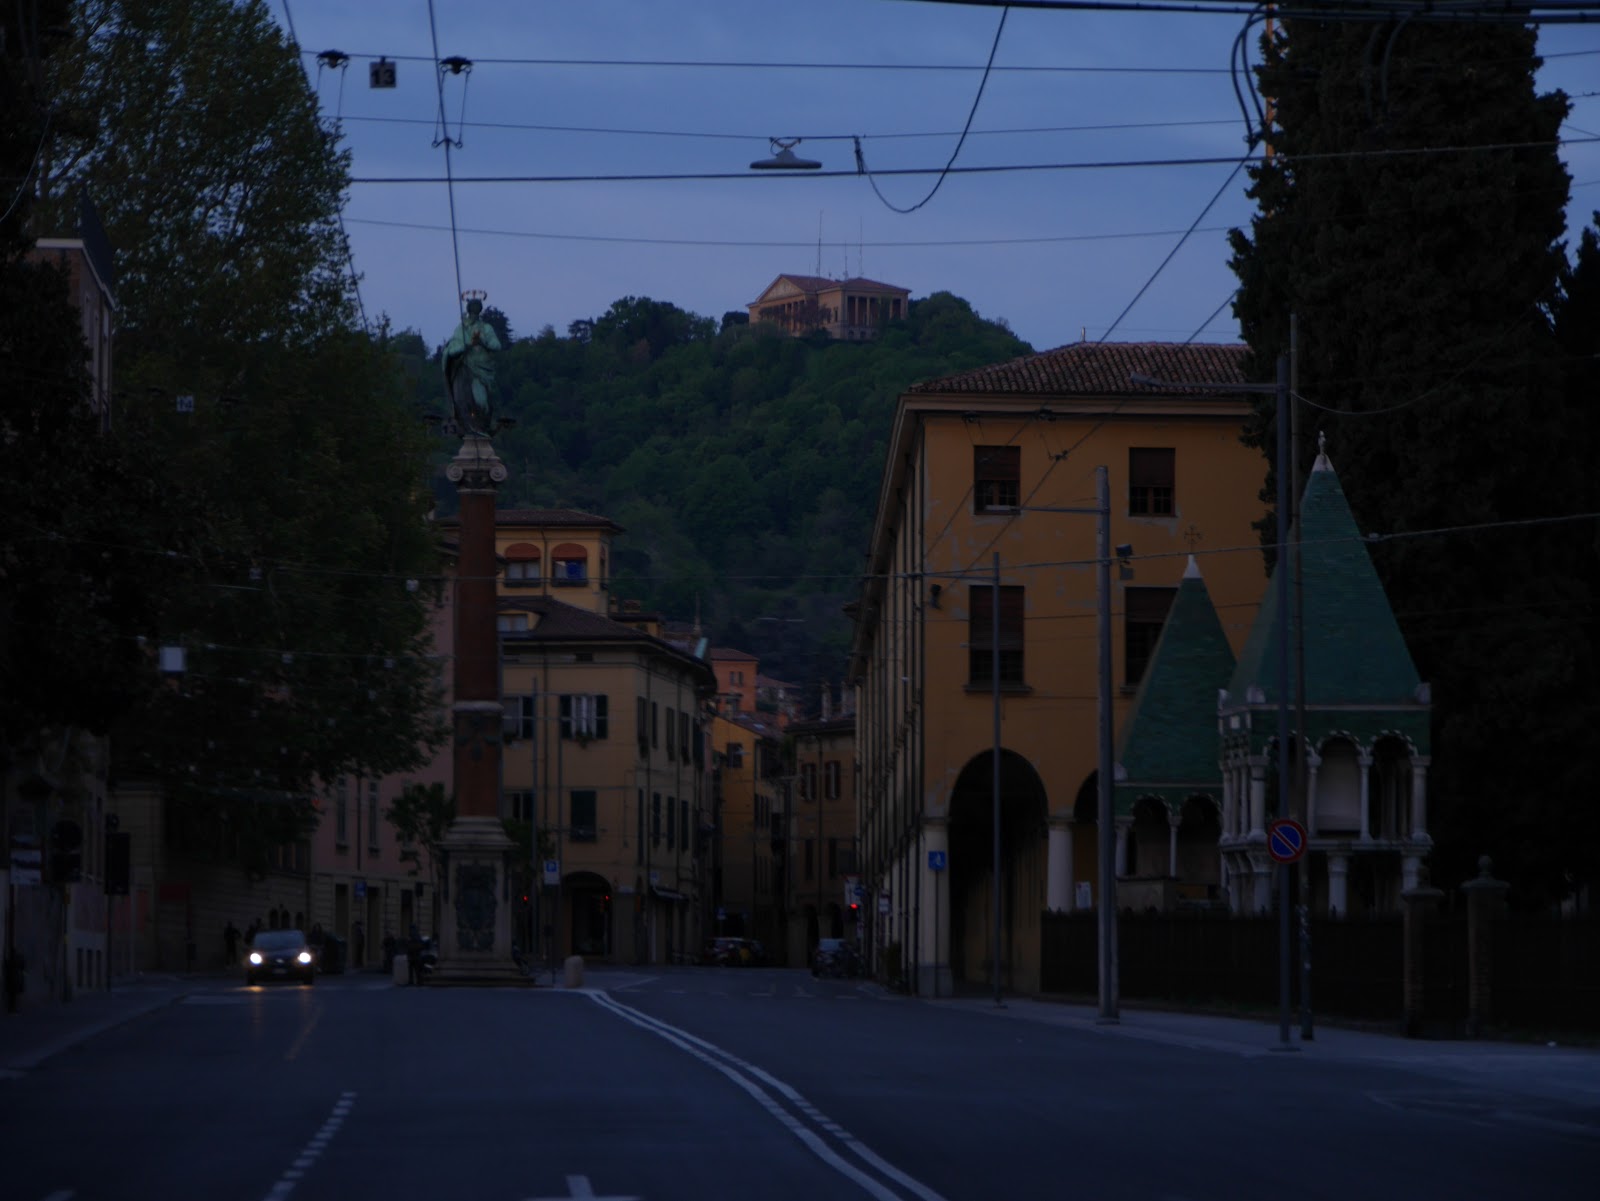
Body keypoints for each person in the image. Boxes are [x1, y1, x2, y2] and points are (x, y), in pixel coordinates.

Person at [442, 295, 502, 435]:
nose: (474, 314)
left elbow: (497, 345)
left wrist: (482, 342)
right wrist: (467, 345)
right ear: (468, 311)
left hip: (482, 370)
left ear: (480, 312)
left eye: (477, 311)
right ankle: (471, 429)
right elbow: (452, 350)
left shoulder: (486, 328)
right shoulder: (461, 329)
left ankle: (481, 428)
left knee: (482, 403)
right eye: (472, 311)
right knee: (463, 401)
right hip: (464, 368)